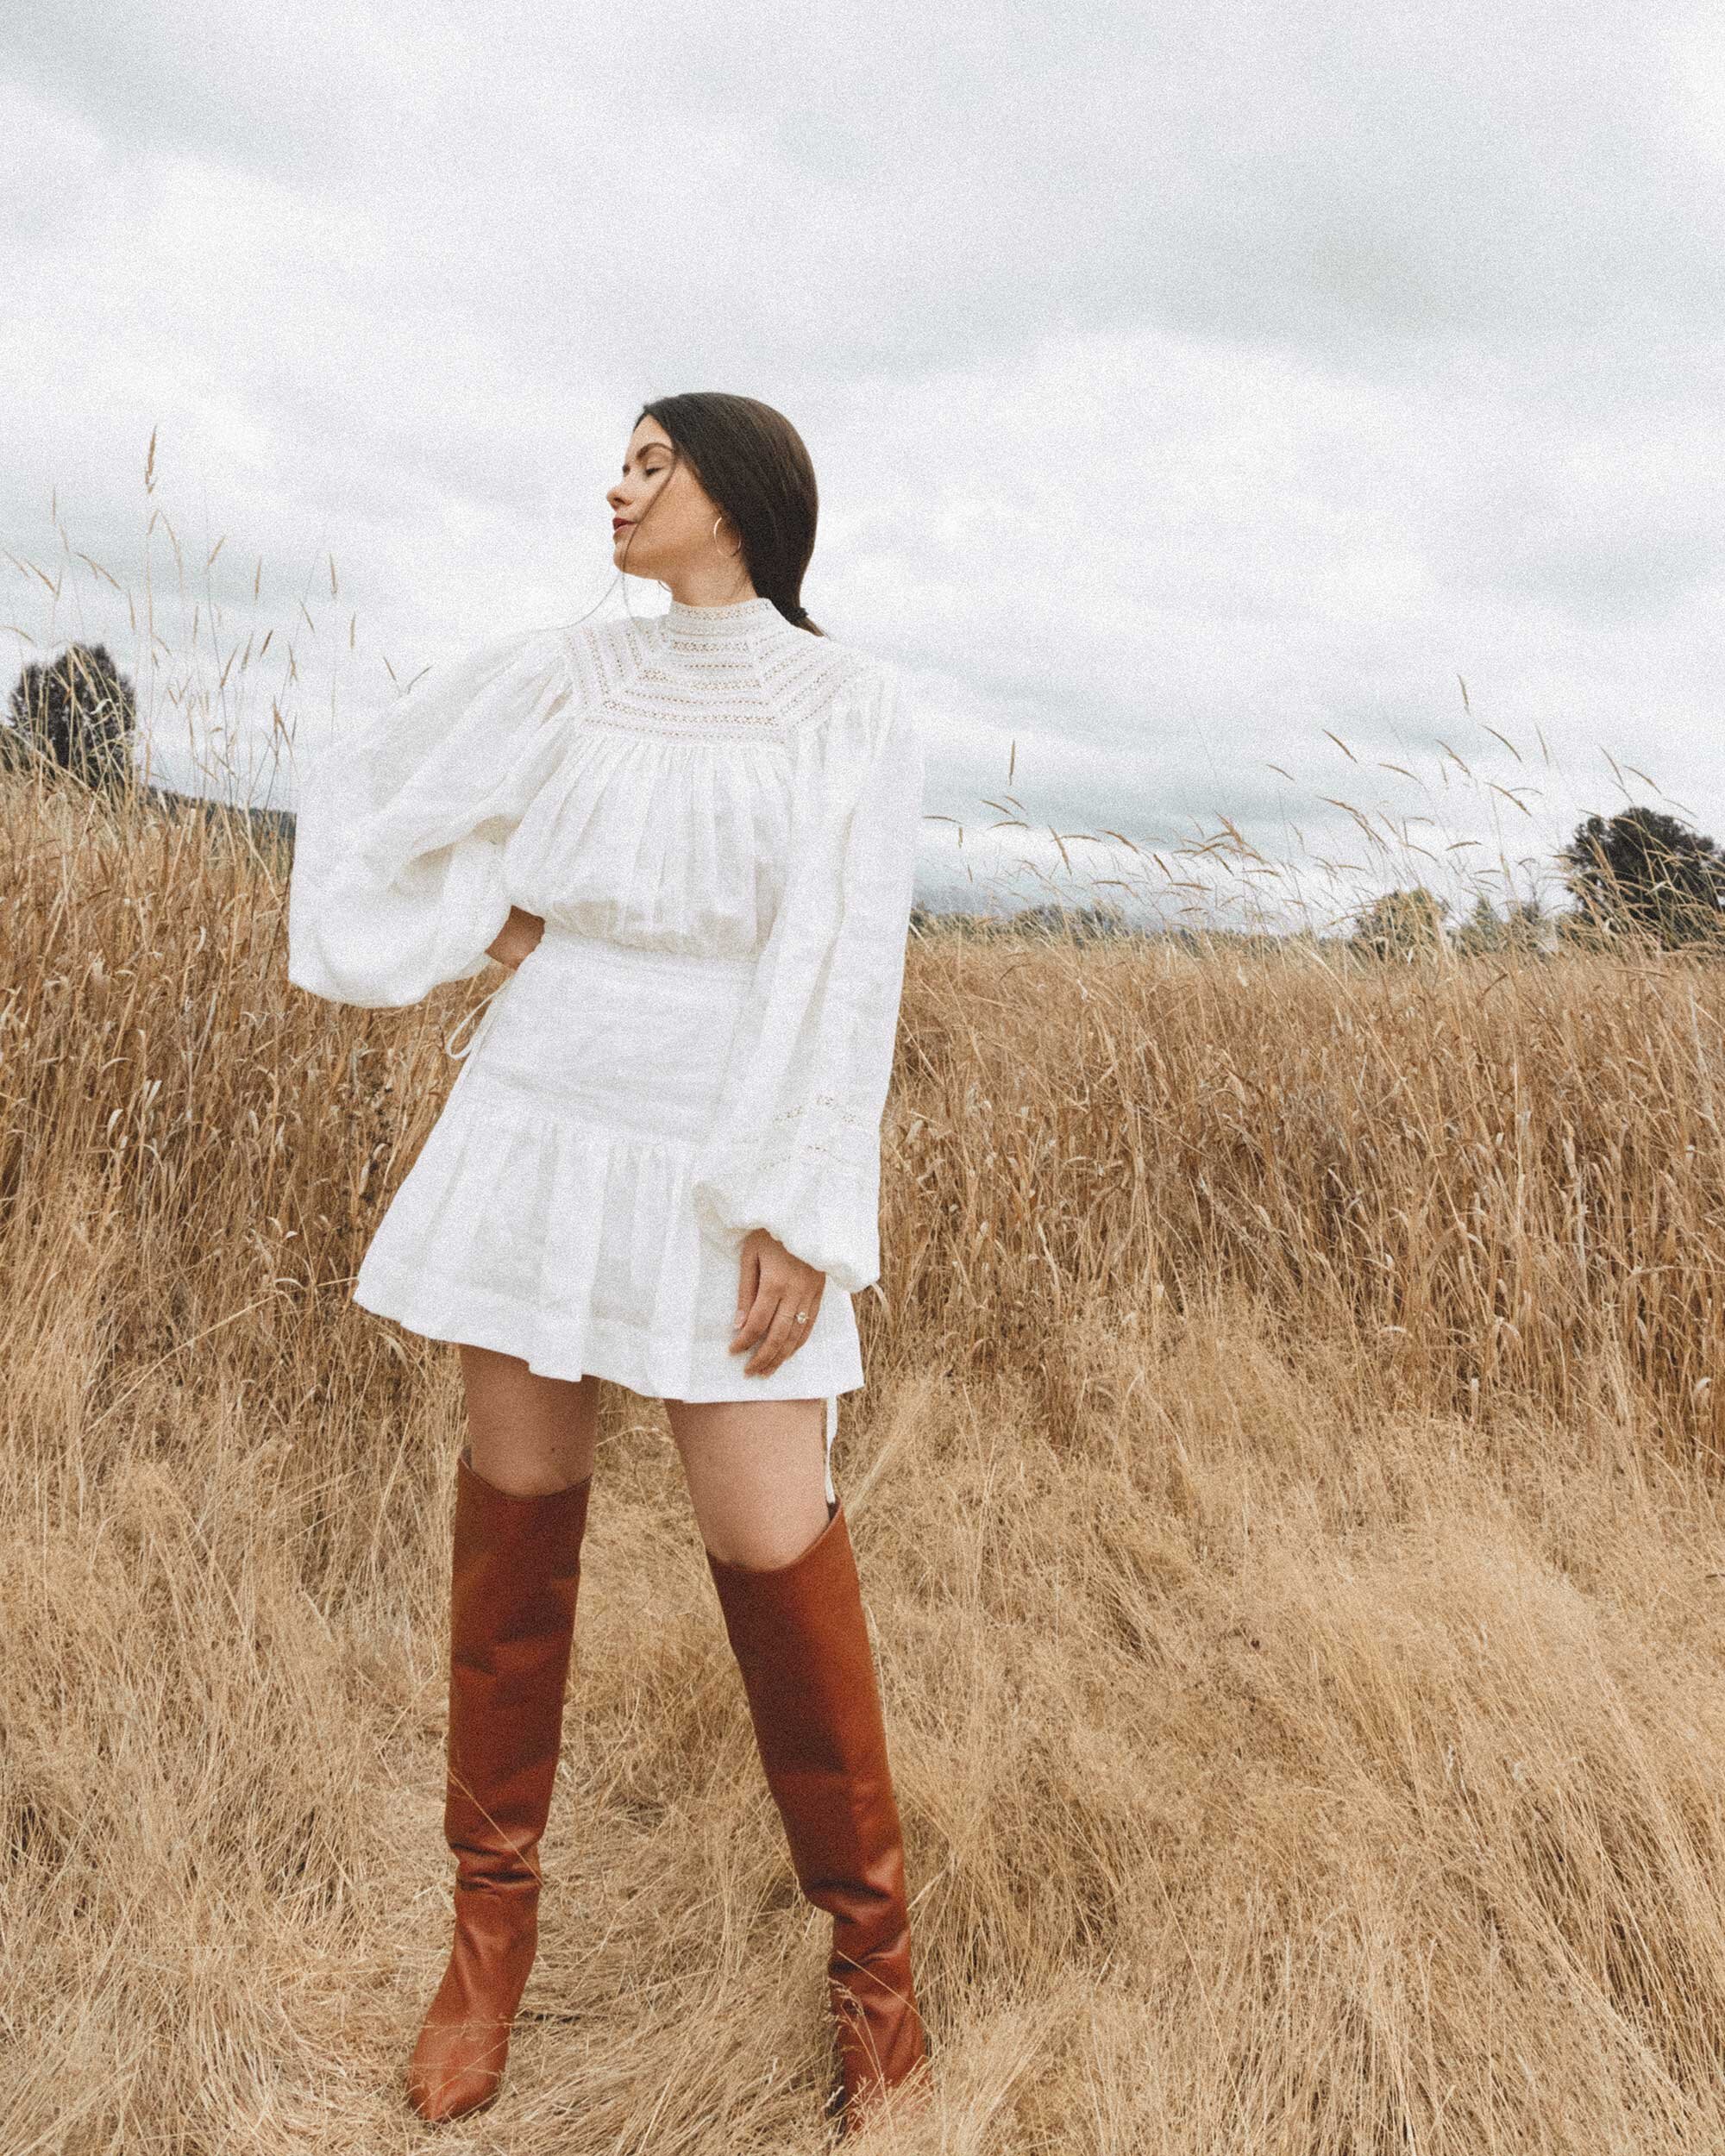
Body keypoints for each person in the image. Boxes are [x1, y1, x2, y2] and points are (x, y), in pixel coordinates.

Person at [285, 392, 932, 2140]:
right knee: (518, 1490)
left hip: (729, 1125)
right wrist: (492, 919)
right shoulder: (572, 670)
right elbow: (378, 780)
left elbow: (847, 961)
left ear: (739, 492)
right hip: (548, 1096)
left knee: (766, 1527)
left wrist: (800, 1204)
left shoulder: (849, 704)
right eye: (620, 462)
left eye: (649, 464)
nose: (615, 487)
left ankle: (873, 1973)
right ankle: (486, 1940)